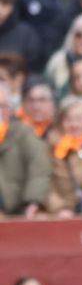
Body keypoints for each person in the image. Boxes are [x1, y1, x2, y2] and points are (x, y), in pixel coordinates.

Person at [0, 86, 49, 217]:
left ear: (10, 110)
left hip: (16, 205)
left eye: (2, 106)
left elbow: (39, 169)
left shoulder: (23, 132)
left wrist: (33, 201)